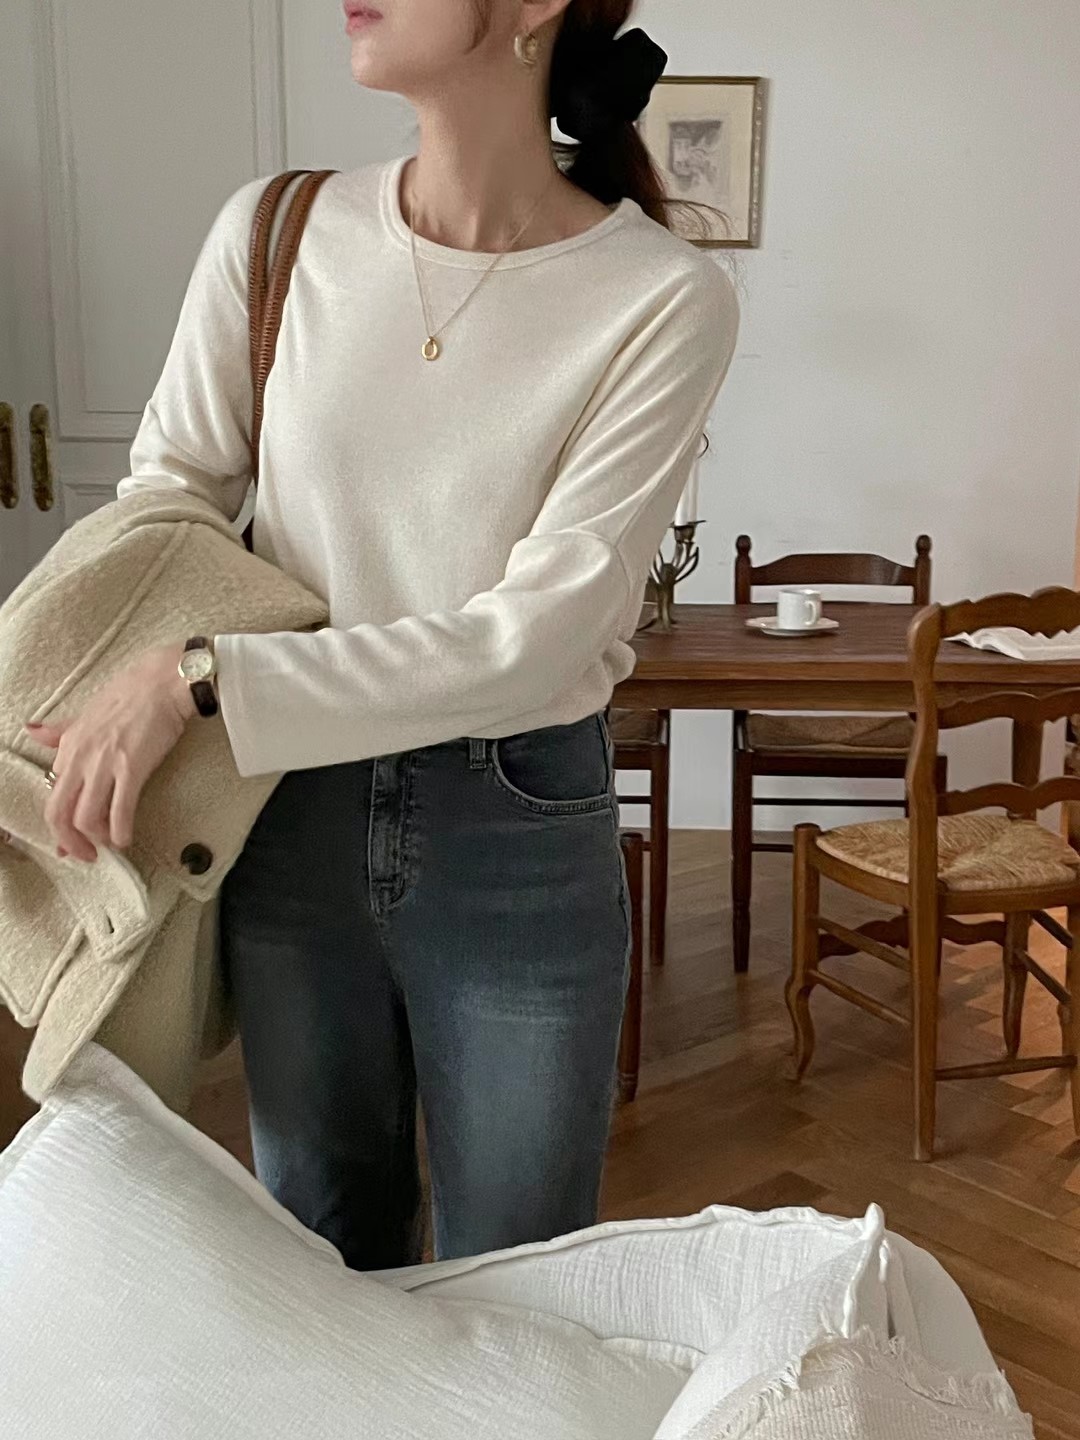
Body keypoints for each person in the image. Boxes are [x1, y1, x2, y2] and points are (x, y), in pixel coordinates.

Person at [29, 0, 739, 1268]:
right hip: (278, 806)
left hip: (513, 822)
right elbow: (169, 496)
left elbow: (535, 641)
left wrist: (203, 680)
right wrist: (119, 671)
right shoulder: (276, 232)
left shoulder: (661, 297)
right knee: (320, 1253)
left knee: (518, 1272)